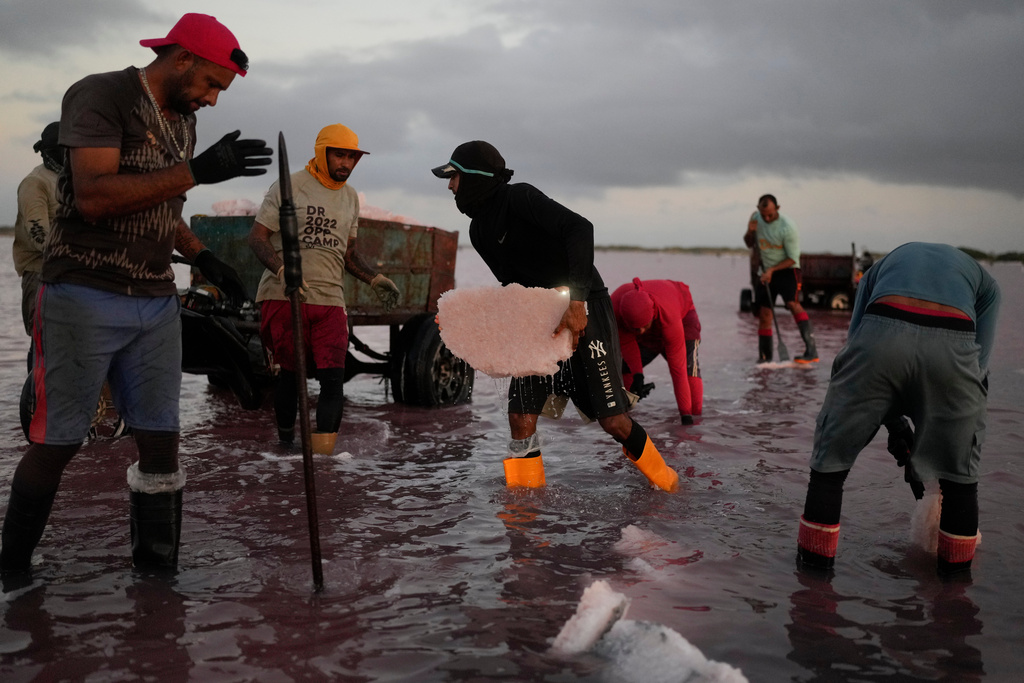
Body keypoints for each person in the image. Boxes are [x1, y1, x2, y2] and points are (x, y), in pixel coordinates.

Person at [0, 13, 273, 581]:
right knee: (58, 439)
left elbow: (163, 204)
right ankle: (13, 572)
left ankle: (156, 578)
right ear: (183, 60)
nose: (213, 100)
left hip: (155, 298)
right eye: (211, 85)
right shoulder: (100, 95)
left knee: (161, 439)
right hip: (82, 291)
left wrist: (202, 256)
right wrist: (197, 172)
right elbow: (97, 196)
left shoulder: (185, 121)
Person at [431, 141, 678, 492]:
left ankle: (668, 483)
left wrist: (576, 302)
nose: (450, 185)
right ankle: (527, 511)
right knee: (519, 418)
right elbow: (512, 291)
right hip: (539, 318)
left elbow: (580, 228)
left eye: (454, 176)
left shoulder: (520, 198)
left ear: (475, 177)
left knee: (613, 421)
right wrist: (462, 323)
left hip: (584, 303)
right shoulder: (479, 232)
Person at [795, 242, 1001, 575]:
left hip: (882, 334)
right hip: (954, 347)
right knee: (960, 483)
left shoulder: (879, 269)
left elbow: (857, 350)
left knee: (828, 473)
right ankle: (953, 606)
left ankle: (812, 596)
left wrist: (896, 426)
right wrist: (928, 445)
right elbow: (978, 370)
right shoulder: (985, 282)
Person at [249, 124, 400, 455]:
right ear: (322, 153)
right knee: (291, 376)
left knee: (334, 380)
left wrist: (374, 278)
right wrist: (281, 269)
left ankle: (323, 461)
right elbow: (257, 237)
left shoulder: (350, 198)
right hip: (285, 297)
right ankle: (286, 451)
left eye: (352, 157)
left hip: (331, 300)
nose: (346, 163)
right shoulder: (291, 187)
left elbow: (348, 255)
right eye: (339, 155)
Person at [611, 278, 703, 425]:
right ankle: (625, 417)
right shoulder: (615, 307)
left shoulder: (670, 317)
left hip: (682, 317)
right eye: (635, 329)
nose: (639, 332)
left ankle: (696, 418)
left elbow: (677, 369)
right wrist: (638, 376)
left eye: (642, 327)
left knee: (687, 369)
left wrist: (686, 417)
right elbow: (628, 344)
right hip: (645, 320)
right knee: (625, 367)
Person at [743, 194, 818, 363]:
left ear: (777, 208)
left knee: (792, 304)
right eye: (763, 215)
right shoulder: (755, 218)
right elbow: (749, 243)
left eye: (770, 214)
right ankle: (765, 357)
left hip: (787, 269)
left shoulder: (788, 227)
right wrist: (750, 231)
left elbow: (793, 257)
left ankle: (811, 351)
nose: (766, 218)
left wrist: (772, 270)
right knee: (764, 313)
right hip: (765, 271)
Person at [12, 122, 62, 339]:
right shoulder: (35, 183)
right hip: (41, 275)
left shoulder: (70, 179)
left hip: (69, 275)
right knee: (43, 346)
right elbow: (39, 235)